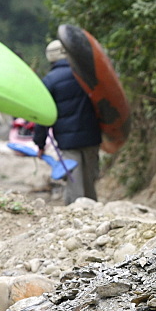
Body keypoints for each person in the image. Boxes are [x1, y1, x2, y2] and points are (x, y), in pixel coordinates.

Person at [32, 39, 102, 204]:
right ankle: (96, 215)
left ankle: (77, 217)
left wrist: (39, 143)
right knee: (89, 179)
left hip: (67, 141)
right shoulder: (86, 73)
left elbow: (43, 116)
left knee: (74, 181)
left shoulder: (49, 81)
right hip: (92, 135)